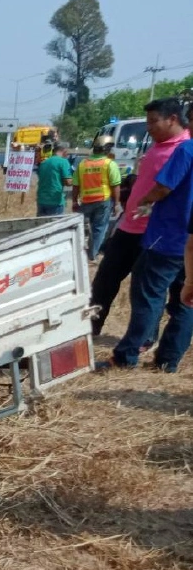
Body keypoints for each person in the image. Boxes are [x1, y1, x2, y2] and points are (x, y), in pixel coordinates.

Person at [103, 102, 193, 372]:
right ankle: (168, 361)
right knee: (185, 300)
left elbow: (164, 187)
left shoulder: (186, 150)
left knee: (147, 295)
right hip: (187, 242)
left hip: (167, 236)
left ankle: (126, 355)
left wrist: (144, 200)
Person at [72, 135, 122, 262]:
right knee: (99, 229)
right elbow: (115, 185)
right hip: (103, 201)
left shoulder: (82, 164)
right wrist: (116, 203)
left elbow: (76, 185)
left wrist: (74, 201)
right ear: (106, 149)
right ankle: (92, 255)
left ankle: (79, 252)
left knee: (83, 229)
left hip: (86, 201)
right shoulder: (109, 164)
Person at [35, 142, 73, 217]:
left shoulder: (44, 163)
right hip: (55, 201)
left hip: (41, 200)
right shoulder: (63, 162)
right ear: (64, 150)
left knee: (42, 227)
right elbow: (68, 182)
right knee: (55, 227)